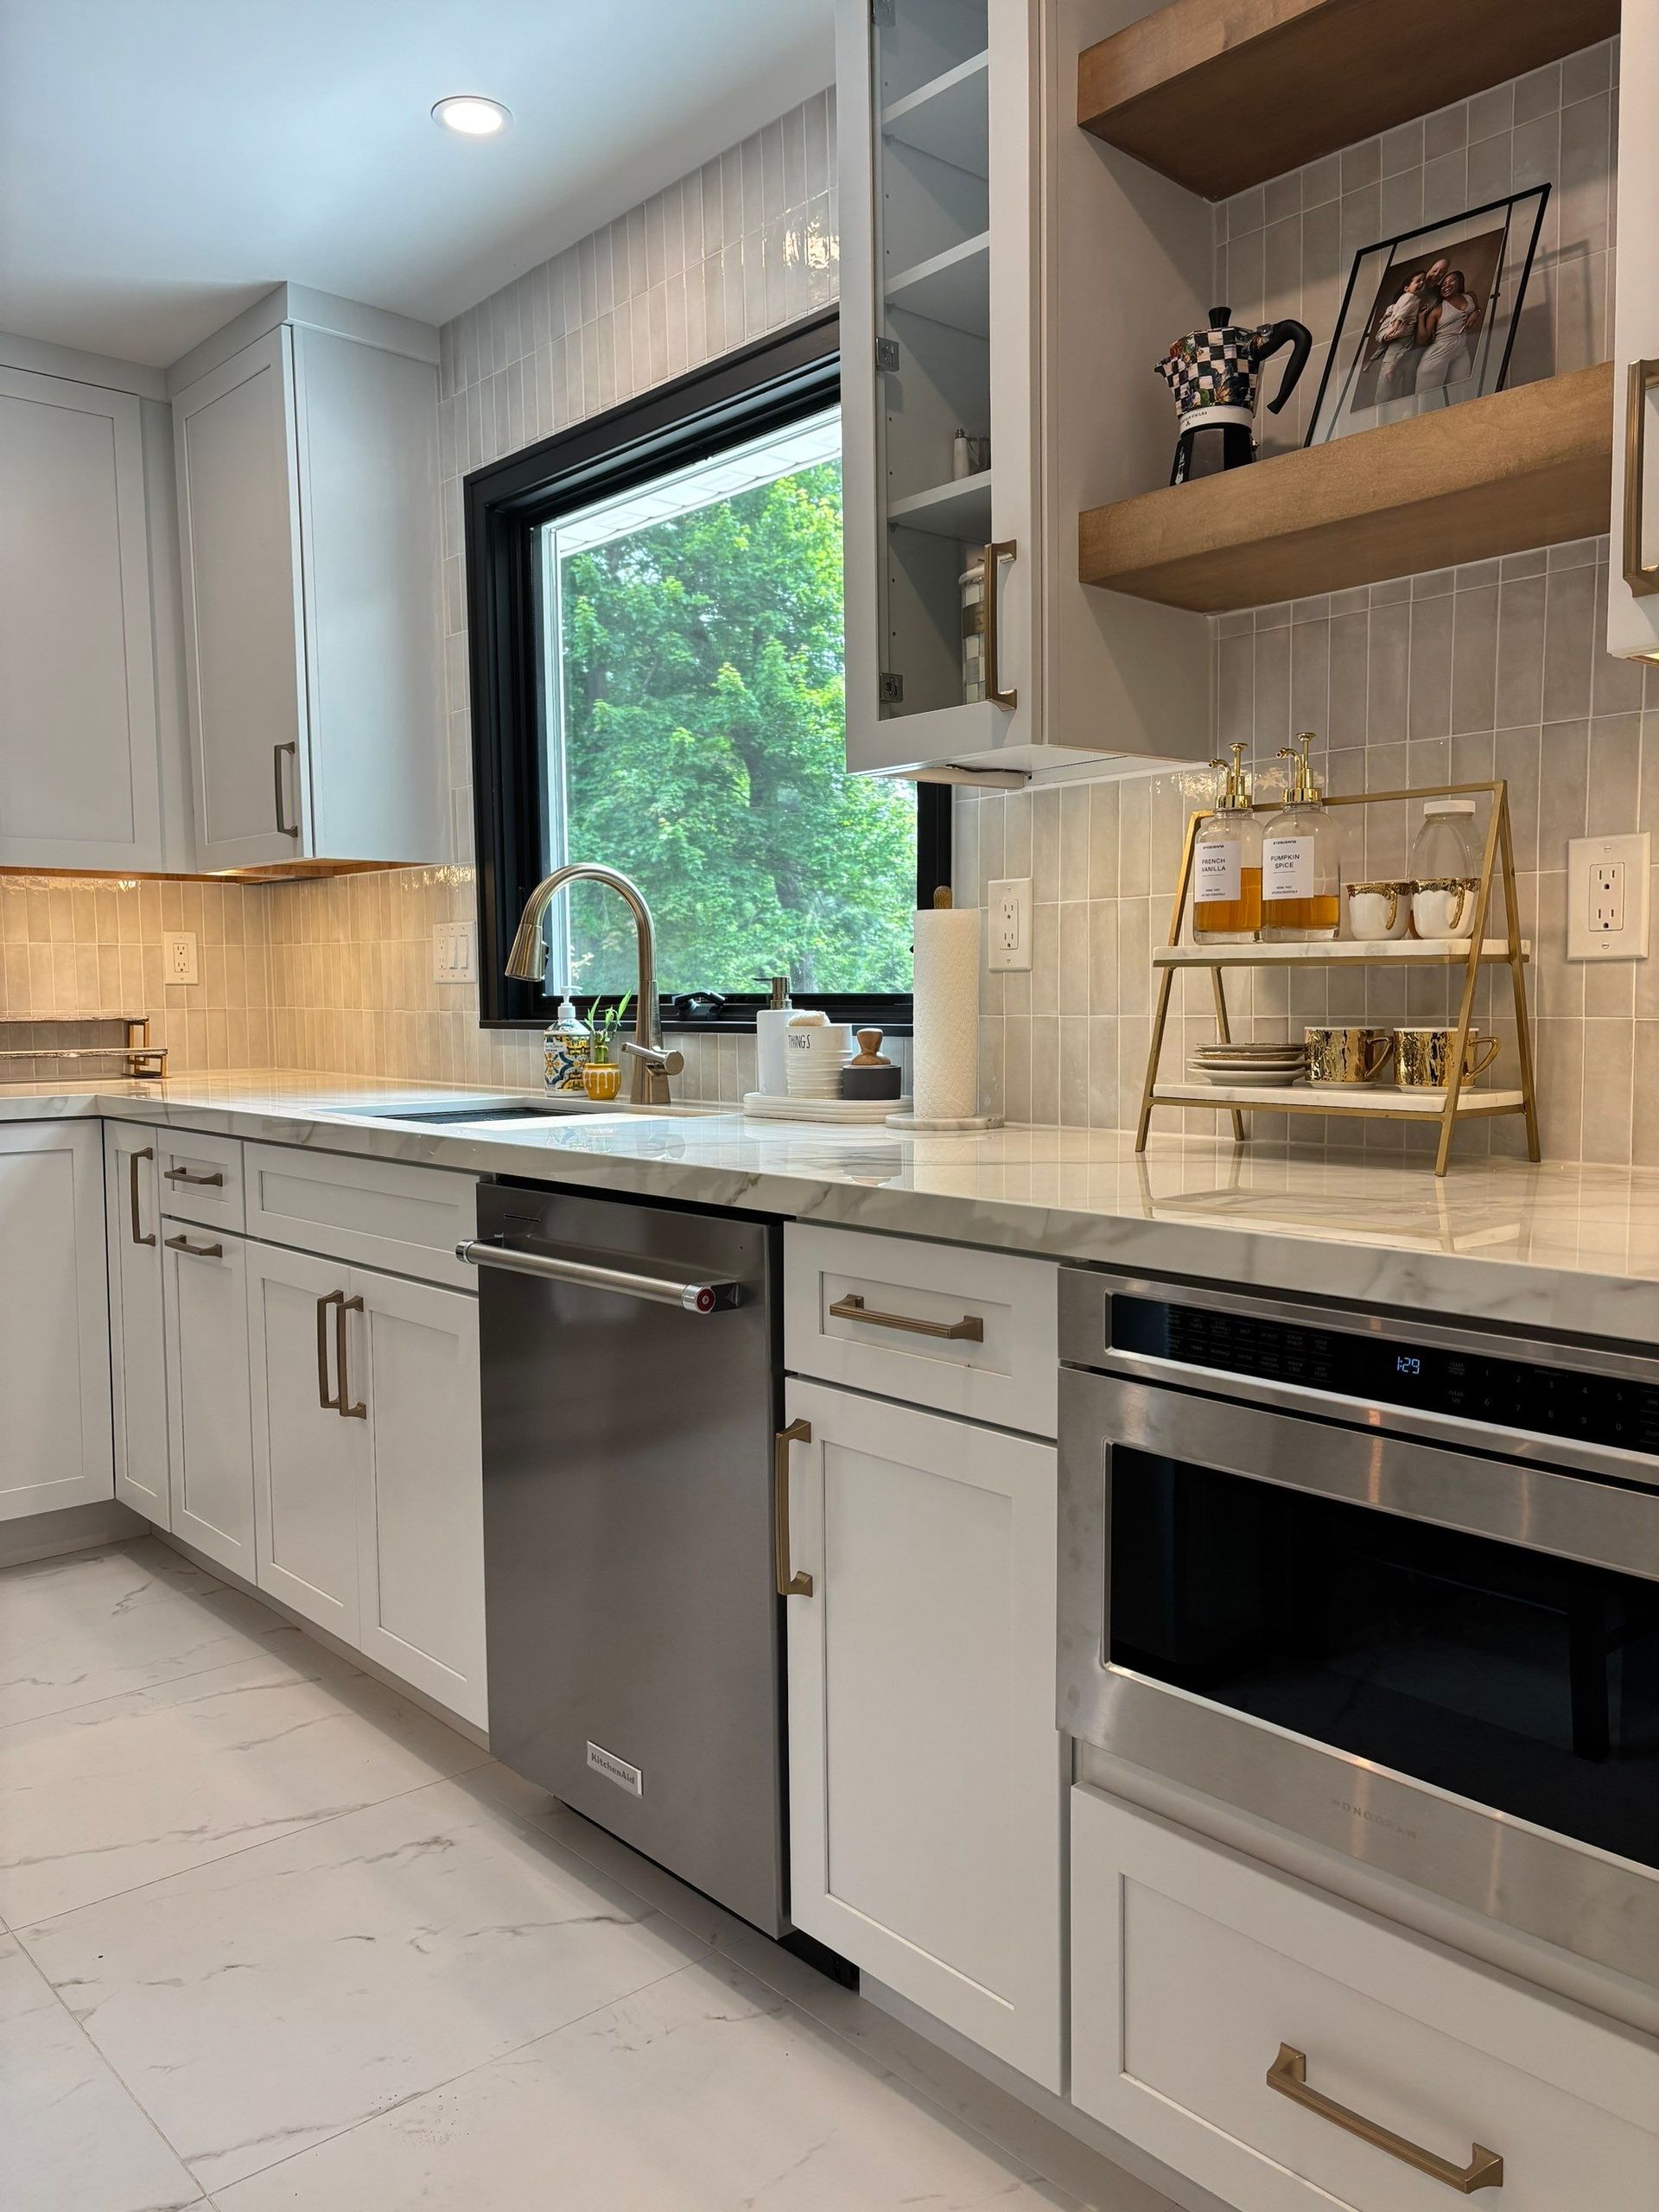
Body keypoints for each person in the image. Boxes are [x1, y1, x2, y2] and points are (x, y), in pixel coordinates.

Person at [1416, 267, 1483, 391]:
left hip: (1460, 351)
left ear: (1460, 282)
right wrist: (1421, 317)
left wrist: (1477, 312)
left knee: (1463, 394)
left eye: (1451, 281)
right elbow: (1422, 339)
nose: (1446, 286)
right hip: (1437, 354)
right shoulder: (1438, 311)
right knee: (1428, 401)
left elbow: (1476, 308)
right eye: (1444, 284)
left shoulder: (1470, 296)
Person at [1371, 269, 1429, 398]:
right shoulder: (1409, 299)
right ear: (1406, 288)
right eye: (1417, 281)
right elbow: (1398, 317)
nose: (1421, 283)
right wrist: (1394, 329)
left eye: (1423, 281)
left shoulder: (1415, 301)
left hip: (1409, 352)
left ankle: (1390, 370)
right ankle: (1390, 370)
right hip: (1396, 345)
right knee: (1384, 395)